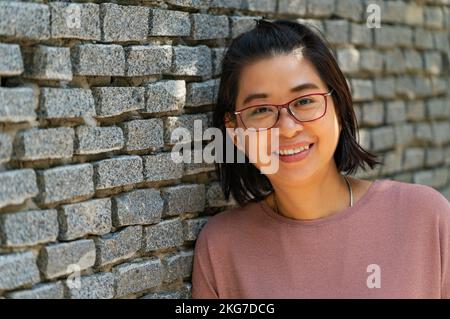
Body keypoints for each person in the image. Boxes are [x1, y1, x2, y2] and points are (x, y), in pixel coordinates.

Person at [191, 19, 450, 298]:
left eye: (304, 101)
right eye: (262, 110)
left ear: (337, 105)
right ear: (234, 130)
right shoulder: (222, 248)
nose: (288, 129)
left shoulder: (425, 217)